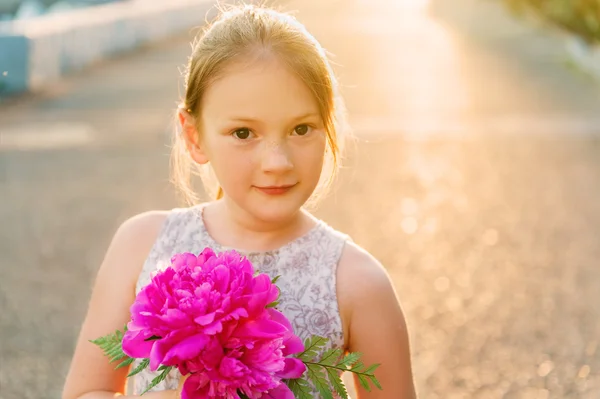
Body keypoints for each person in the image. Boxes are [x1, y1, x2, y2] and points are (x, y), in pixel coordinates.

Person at [62, 4, 417, 399]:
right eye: (244, 133)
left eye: (302, 128)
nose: (277, 163)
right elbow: (86, 390)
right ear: (194, 136)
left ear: (328, 125)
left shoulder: (357, 283)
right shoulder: (140, 245)